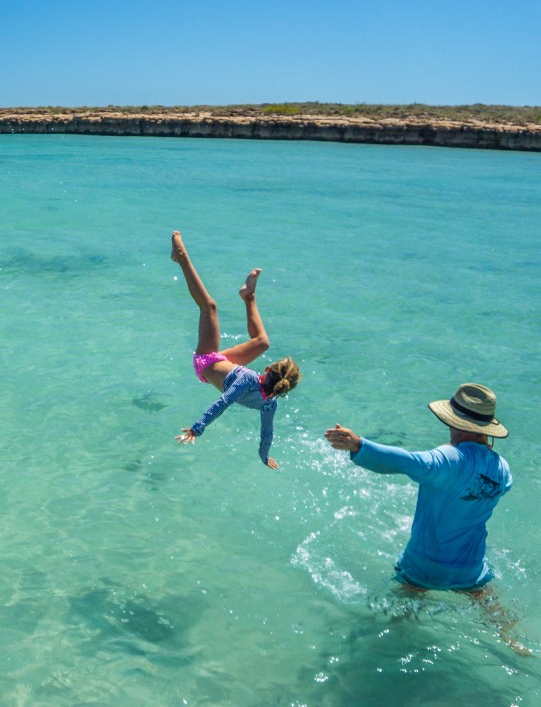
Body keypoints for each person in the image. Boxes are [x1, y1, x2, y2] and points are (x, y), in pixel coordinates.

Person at [324, 383, 512, 591]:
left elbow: (407, 461)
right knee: (495, 613)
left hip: (424, 570)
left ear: (457, 423)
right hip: (470, 571)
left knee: (399, 619)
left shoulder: (448, 460)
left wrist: (359, 445)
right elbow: (502, 486)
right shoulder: (502, 468)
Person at [171, 231, 301, 468]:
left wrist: (197, 428)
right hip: (222, 366)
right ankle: (248, 296)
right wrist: (264, 456)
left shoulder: (248, 379)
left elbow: (223, 402)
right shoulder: (270, 404)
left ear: (269, 368)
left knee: (209, 307)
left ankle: (181, 257)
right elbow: (267, 434)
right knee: (262, 342)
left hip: (206, 360)